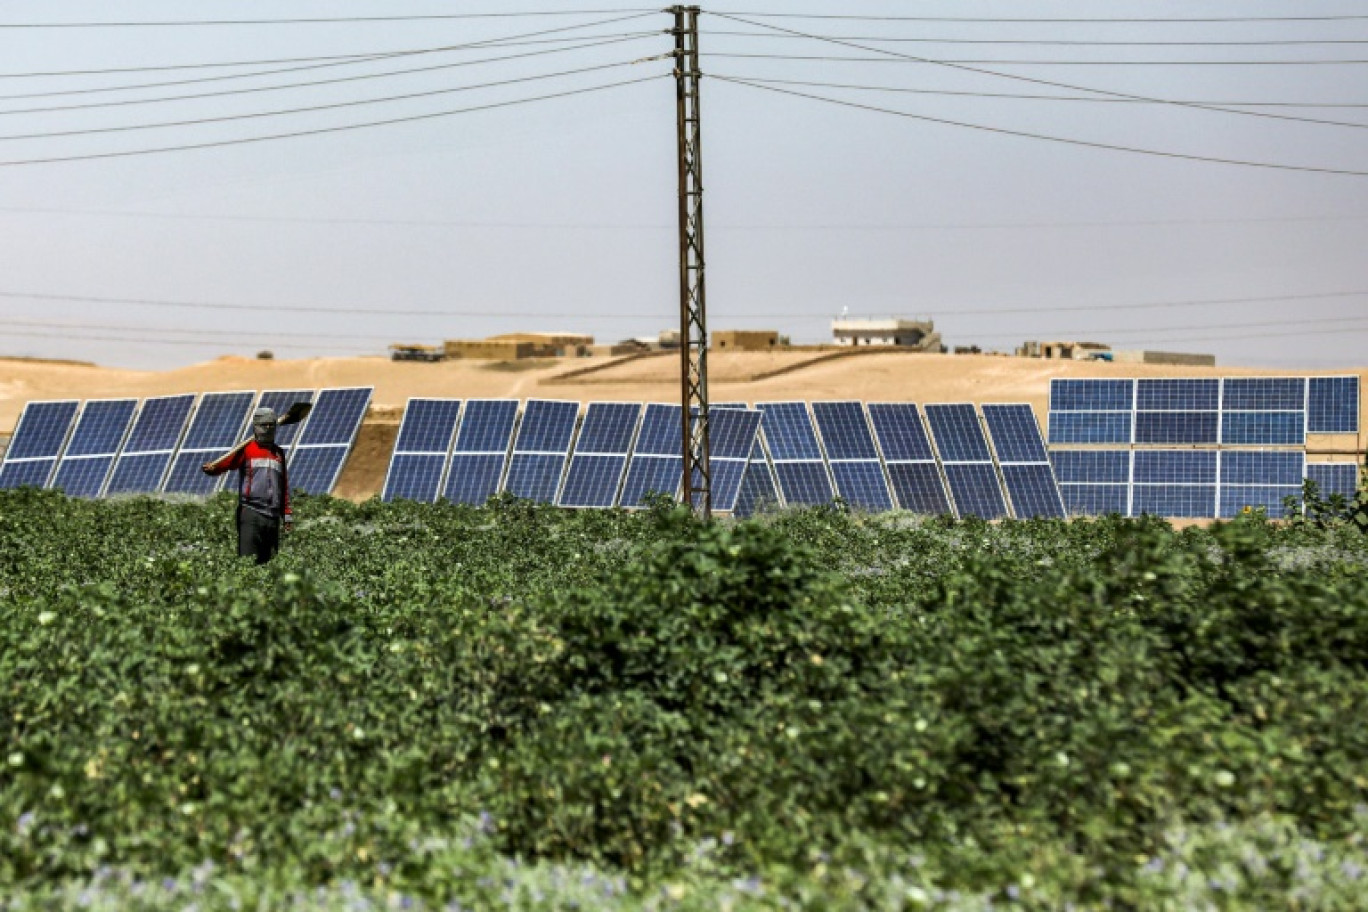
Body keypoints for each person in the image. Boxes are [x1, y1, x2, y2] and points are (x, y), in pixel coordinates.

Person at [202, 407, 293, 564]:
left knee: (270, 564)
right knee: (248, 562)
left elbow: (283, 487)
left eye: (271, 425)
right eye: (264, 425)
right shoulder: (246, 450)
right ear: (256, 426)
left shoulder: (279, 453)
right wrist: (212, 469)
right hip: (251, 513)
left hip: (272, 517)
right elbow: (225, 465)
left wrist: (287, 516)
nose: (268, 428)